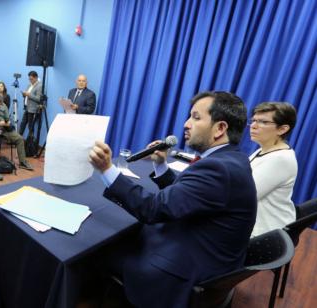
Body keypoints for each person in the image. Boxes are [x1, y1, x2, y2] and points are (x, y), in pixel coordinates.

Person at [89, 91, 257, 307]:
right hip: (207, 256)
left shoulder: (219, 168)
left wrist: (106, 170)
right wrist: (160, 165)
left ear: (220, 128)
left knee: (96, 250)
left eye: (196, 117)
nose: (186, 124)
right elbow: (186, 197)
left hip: (182, 273)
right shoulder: (231, 159)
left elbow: (152, 209)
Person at [248, 102, 298, 237]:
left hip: (263, 232)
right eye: (253, 120)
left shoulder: (280, 159)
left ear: (282, 129)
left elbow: (245, 196)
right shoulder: (263, 150)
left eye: (263, 122)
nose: (253, 126)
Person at [0, 94, 33, 170]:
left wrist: (7, 122)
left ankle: (22, 162)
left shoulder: (3, 106)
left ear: (1, 103)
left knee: (19, 139)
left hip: (4, 128)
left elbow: (7, 118)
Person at [19, 71, 42, 136]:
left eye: (31, 79)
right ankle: (18, 140)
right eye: (29, 79)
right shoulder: (29, 85)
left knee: (30, 127)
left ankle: (30, 143)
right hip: (27, 108)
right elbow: (27, 94)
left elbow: (39, 99)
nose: (30, 80)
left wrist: (29, 95)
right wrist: (24, 94)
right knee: (22, 124)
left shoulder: (40, 86)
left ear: (36, 78)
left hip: (33, 110)